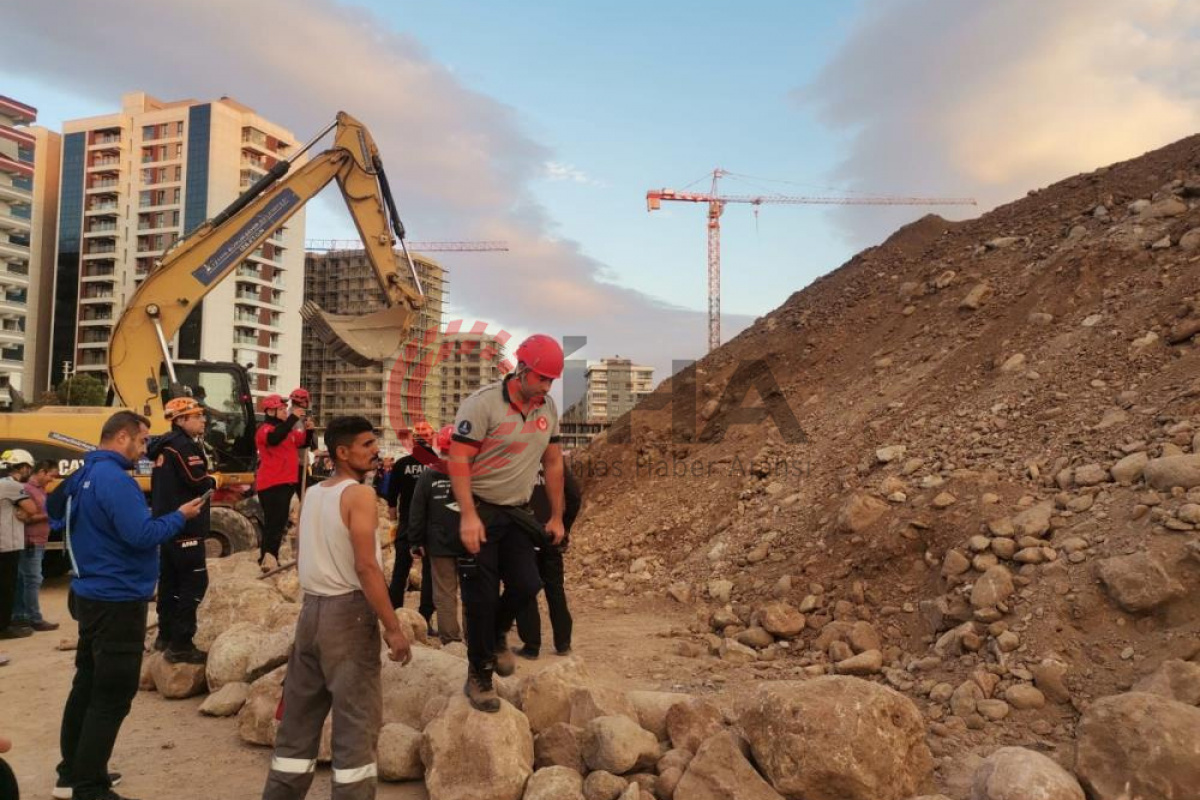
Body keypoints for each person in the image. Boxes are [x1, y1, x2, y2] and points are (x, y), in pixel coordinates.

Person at [51, 411, 205, 800]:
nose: (144, 450)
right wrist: (179, 516)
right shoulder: (115, 481)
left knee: (87, 683)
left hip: (90, 593)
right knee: (112, 692)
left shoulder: (82, 476)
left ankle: (73, 772)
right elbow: (141, 534)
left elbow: (54, 514)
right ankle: (89, 786)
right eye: (141, 441)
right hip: (117, 598)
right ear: (121, 438)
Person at [261, 416, 412, 800]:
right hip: (348, 616)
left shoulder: (313, 494)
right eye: (366, 445)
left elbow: (301, 552)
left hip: (310, 615)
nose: (375, 451)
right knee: (355, 728)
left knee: (297, 726)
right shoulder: (359, 495)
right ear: (342, 453)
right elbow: (366, 566)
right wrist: (393, 627)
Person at [448, 333, 566, 712]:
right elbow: (459, 460)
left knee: (528, 583)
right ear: (522, 370)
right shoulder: (482, 405)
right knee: (480, 598)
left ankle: (497, 634)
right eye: (542, 379)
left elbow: (553, 463)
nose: (546, 387)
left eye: (551, 381)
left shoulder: (546, 408)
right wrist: (467, 514)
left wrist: (557, 516)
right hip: (480, 509)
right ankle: (479, 674)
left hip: (517, 511)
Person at [149, 398, 216, 663]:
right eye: (196, 416)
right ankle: (181, 644)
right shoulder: (182, 446)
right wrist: (213, 479)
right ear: (180, 420)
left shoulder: (164, 447)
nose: (203, 420)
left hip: (167, 525)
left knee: (169, 582)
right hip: (186, 526)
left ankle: (165, 636)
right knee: (193, 582)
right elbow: (198, 480)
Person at [514, 459, 582, 659]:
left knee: (525, 589)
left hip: (525, 534)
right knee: (555, 589)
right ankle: (563, 643)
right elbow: (574, 497)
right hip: (552, 535)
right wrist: (563, 526)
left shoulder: (521, 459)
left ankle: (531, 645)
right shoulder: (555, 461)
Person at [406, 425, 461, 643]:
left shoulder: (430, 473)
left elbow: (417, 509)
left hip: (439, 543)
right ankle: (475, 636)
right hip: (470, 541)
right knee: (473, 592)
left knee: (445, 592)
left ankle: (450, 638)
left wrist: (415, 541)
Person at [255, 391, 315, 572]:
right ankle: (268, 557)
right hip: (272, 483)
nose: (285, 411)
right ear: (270, 411)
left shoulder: (287, 431)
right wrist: (291, 420)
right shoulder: (265, 429)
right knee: (274, 522)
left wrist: (310, 429)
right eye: (281, 409)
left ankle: (269, 557)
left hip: (286, 482)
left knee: (279, 522)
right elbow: (274, 439)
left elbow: (303, 443)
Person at [384, 423, 435, 628]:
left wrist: (394, 523)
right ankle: (425, 619)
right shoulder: (438, 464)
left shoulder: (401, 464)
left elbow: (391, 499)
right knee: (430, 573)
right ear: (432, 439)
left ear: (413, 440)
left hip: (406, 522)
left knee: (400, 570)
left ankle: (395, 615)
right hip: (432, 525)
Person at [1, 450, 45, 646]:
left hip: (6, 543)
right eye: (29, 467)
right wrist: (25, 512)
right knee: (6, 587)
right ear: (23, 467)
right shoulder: (10, 485)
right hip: (6, 545)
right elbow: (32, 508)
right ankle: (3, 627)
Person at [12, 458, 60, 633]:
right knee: (33, 580)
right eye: (50, 476)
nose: (52, 480)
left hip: (37, 541)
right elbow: (24, 517)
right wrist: (49, 515)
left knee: (24, 581)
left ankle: (20, 616)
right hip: (30, 542)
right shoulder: (27, 490)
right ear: (42, 472)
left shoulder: (40, 490)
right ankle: (34, 618)